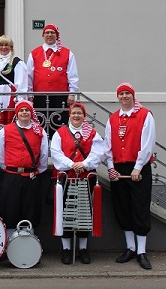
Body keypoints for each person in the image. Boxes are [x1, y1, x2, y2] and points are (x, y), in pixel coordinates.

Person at [104, 83, 155, 270]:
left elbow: (148, 142)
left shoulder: (145, 115)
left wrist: (138, 167)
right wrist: (110, 167)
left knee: (139, 207)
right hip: (119, 168)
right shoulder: (113, 118)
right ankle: (130, 248)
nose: (124, 96)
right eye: (121, 94)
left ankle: (142, 251)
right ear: (118, 97)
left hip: (138, 167)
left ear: (133, 96)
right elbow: (108, 145)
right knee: (123, 207)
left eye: (127, 93)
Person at [50, 102, 104, 265]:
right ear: (69, 115)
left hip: (86, 178)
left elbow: (98, 153)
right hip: (66, 178)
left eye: (79, 113)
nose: (76, 115)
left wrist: (84, 164)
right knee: (66, 213)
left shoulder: (93, 134)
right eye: (73, 113)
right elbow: (56, 153)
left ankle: (82, 249)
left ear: (84, 115)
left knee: (85, 214)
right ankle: (66, 249)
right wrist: (72, 164)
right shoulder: (60, 133)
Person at [0, 100, 48, 239]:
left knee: (30, 211)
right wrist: (11, 168)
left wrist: (32, 171)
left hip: (31, 177)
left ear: (31, 113)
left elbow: (43, 156)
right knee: (10, 210)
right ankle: (8, 245)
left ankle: (28, 245)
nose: (24, 112)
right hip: (11, 177)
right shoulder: (5, 131)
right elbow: (0, 154)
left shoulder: (40, 132)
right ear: (16, 113)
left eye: (27, 110)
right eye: (21, 110)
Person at [27, 23, 79, 138]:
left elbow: (72, 75)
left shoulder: (67, 53)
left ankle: (59, 151)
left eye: (52, 33)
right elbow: (29, 76)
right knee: (40, 126)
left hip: (60, 96)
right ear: (43, 35)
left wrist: (72, 93)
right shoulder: (34, 53)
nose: (49, 35)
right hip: (39, 96)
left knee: (60, 126)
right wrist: (29, 94)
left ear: (57, 36)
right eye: (47, 33)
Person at [0, 35, 28, 125]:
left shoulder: (17, 62)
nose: (4, 47)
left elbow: (21, 84)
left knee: (8, 124)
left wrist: (20, 101)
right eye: (1, 45)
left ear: (11, 47)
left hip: (8, 97)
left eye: (6, 45)